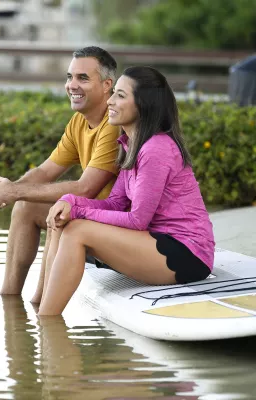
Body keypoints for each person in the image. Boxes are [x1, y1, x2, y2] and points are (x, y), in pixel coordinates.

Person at [39, 66, 215, 316]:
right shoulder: (132, 144)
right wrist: (68, 201)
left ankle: (47, 323)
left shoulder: (156, 149)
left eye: (120, 95)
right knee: (61, 221)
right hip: (156, 243)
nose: (110, 100)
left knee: (77, 229)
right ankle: (41, 309)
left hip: (187, 254)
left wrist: (79, 211)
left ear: (143, 104)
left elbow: (137, 219)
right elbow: (115, 203)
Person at [0, 47, 120, 303]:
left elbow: (86, 188)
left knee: (59, 211)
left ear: (107, 84)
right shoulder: (79, 121)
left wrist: (13, 191)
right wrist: (5, 190)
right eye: (69, 77)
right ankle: (9, 302)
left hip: (117, 230)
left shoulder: (114, 124)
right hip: (91, 218)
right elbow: (45, 171)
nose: (72, 85)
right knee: (24, 207)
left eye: (83, 78)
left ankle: (39, 303)